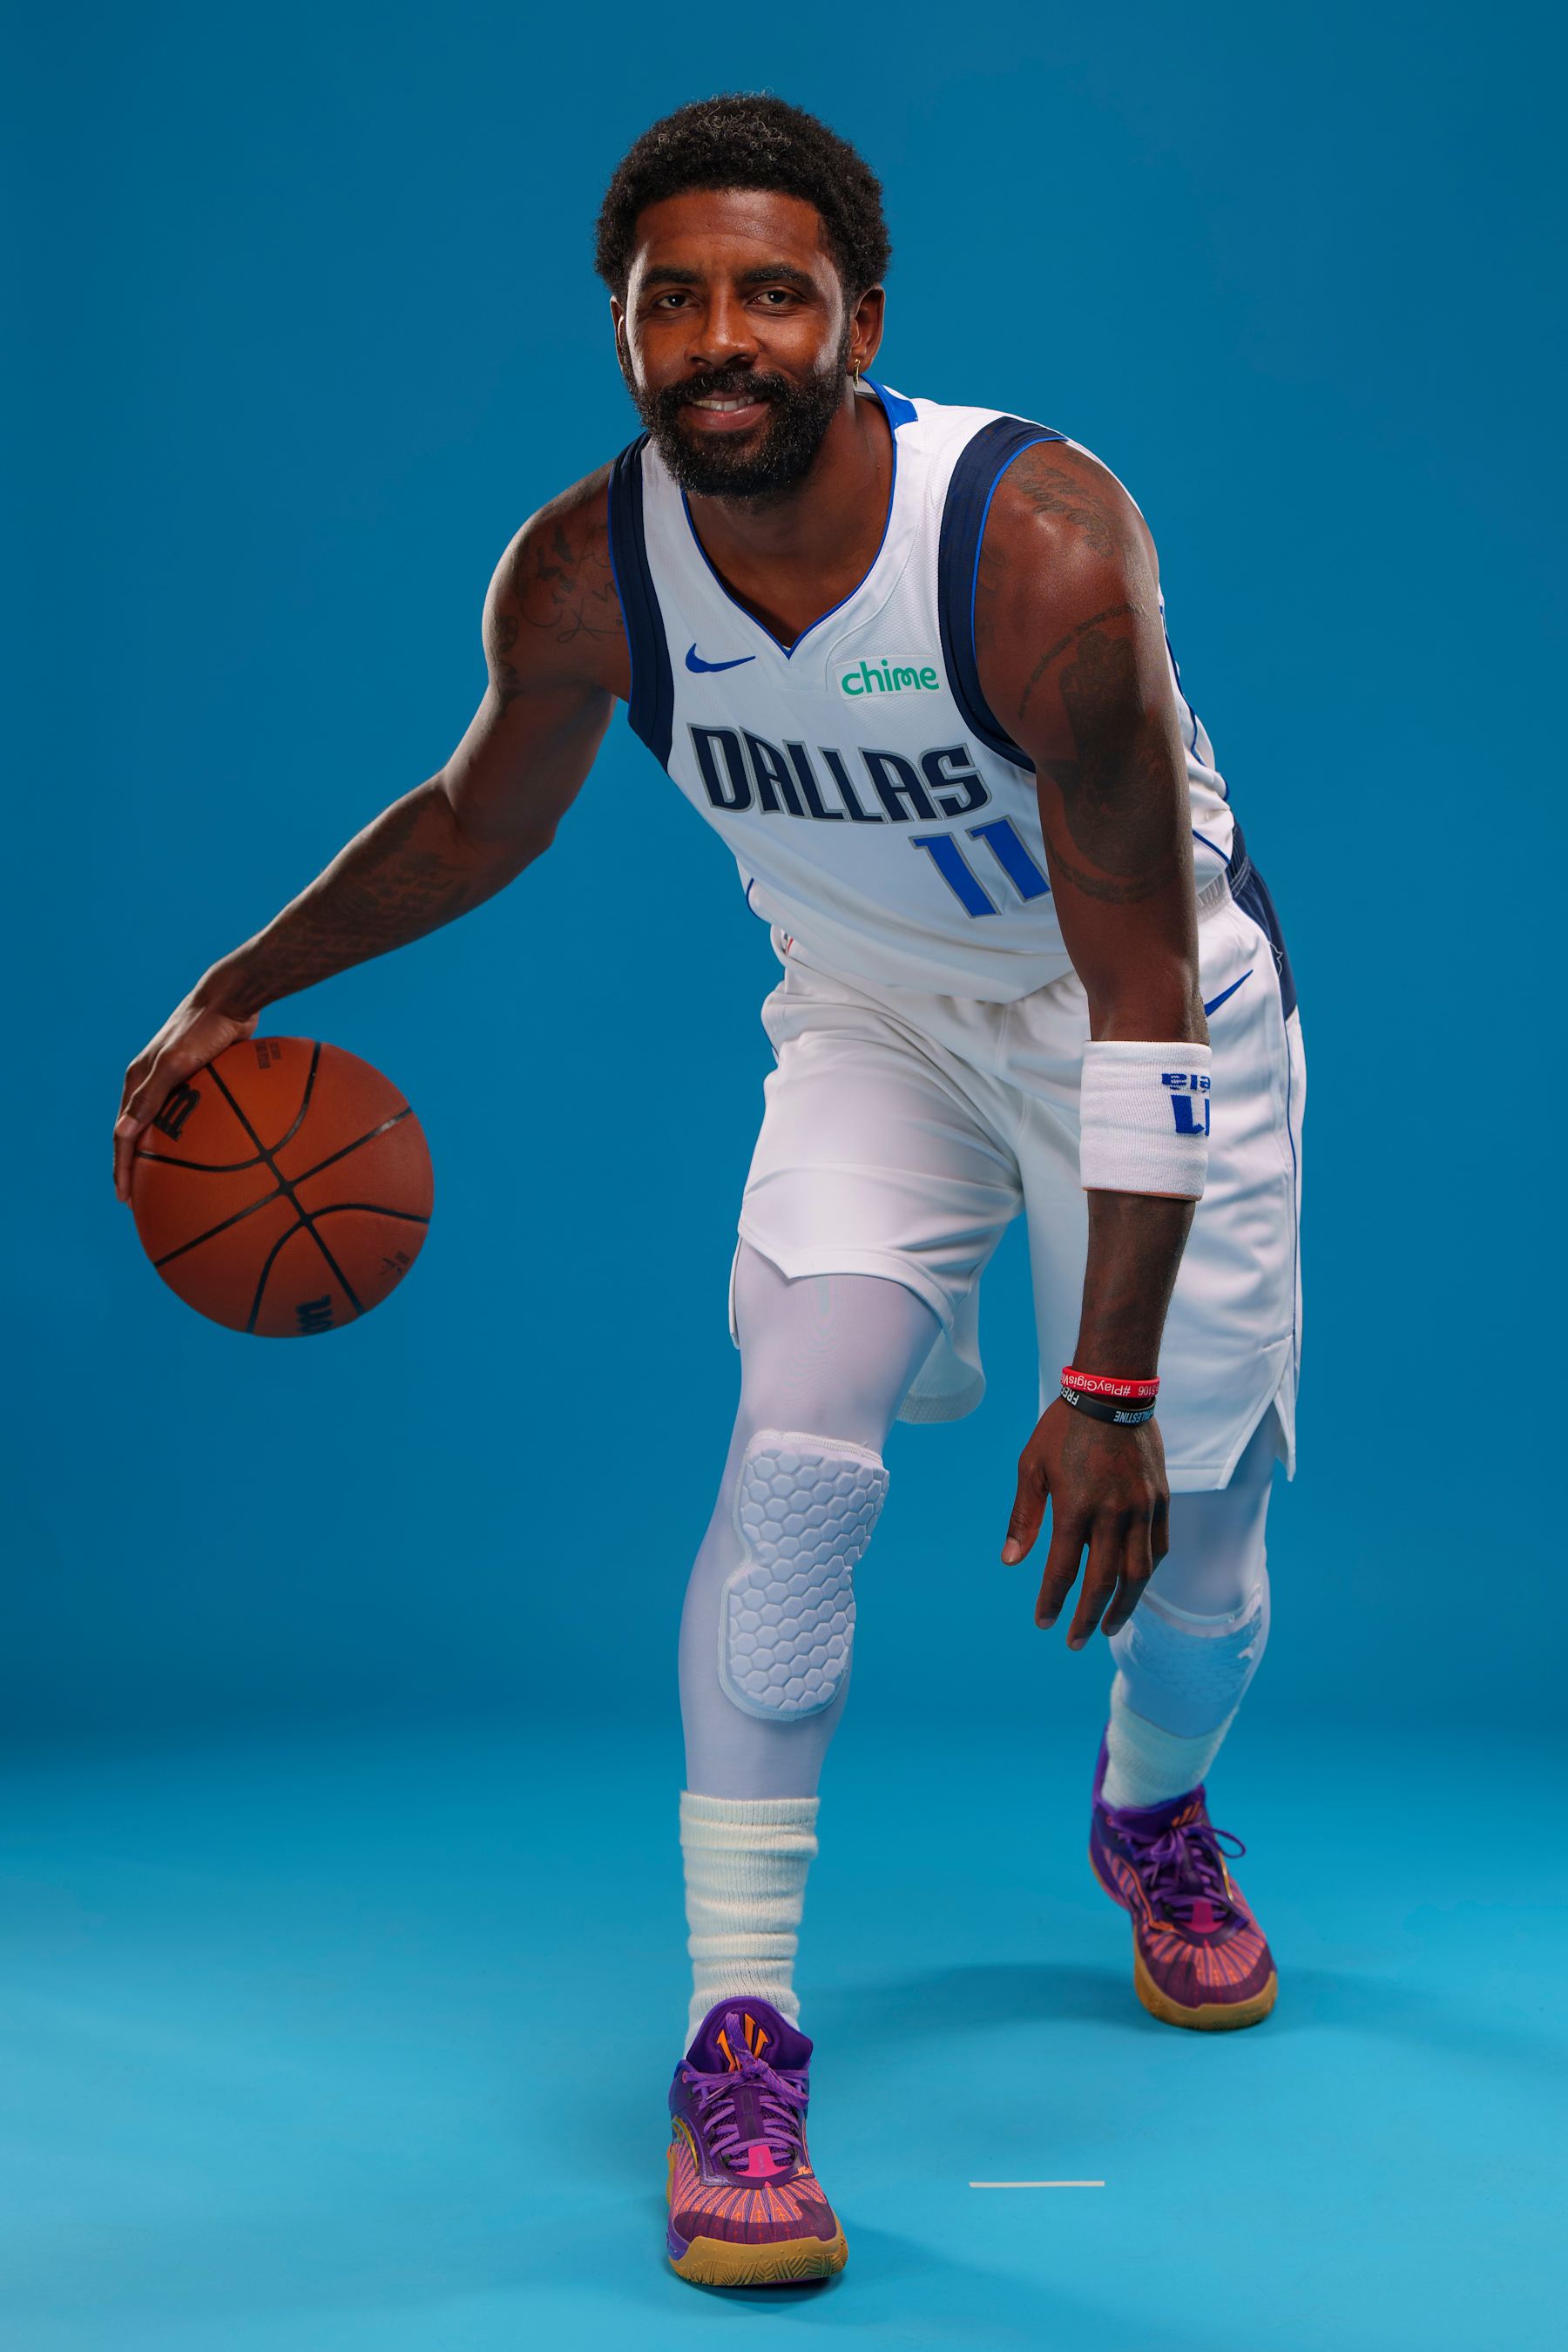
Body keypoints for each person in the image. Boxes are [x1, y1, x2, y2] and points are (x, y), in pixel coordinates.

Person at [114, 95, 1303, 2291]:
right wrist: (232, 983)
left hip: (1133, 1019)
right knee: (793, 1465)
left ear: (861, 320)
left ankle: (1152, 1810)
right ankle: (734, 2037)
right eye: (677, 299)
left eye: (774, 292)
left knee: (1202, 1547)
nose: (723, 337)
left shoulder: (1037, 549)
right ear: (624, 325)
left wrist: (1111, 1379)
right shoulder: (587, 572)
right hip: (869, 1023)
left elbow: (1146, 978)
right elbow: (482, 819)